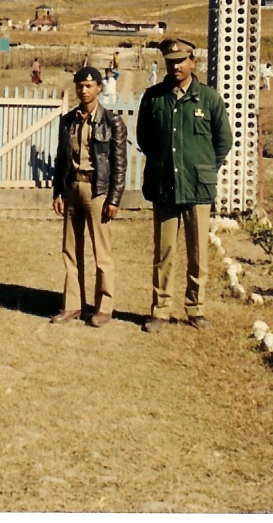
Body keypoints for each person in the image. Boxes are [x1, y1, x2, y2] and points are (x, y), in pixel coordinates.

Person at [137, 38, 233, 333]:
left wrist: (204, 168)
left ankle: (196, 308)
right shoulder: (154, 97)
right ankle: (160, 309)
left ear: (194, 61)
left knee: (198, 253)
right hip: (165, 185)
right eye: (170, 61)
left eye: (181, 60)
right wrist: (165, 163)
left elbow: (223, 141)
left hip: (197, 188)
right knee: (164, 252)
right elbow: (145, 139)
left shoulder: (209, 98)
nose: (175, 66)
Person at [50, 66, 128, 328]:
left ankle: (104, 306)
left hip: (98, 191)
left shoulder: (112, 122)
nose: (84, 90)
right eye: (80, 86)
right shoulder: (68, 120)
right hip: (72, 188)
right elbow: (61, 159)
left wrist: (114, 198)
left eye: (89, 86)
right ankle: (72, 305)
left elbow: (119, 163)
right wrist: (58, 191)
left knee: (101, 252)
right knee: (70, 251)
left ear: (99, 88)